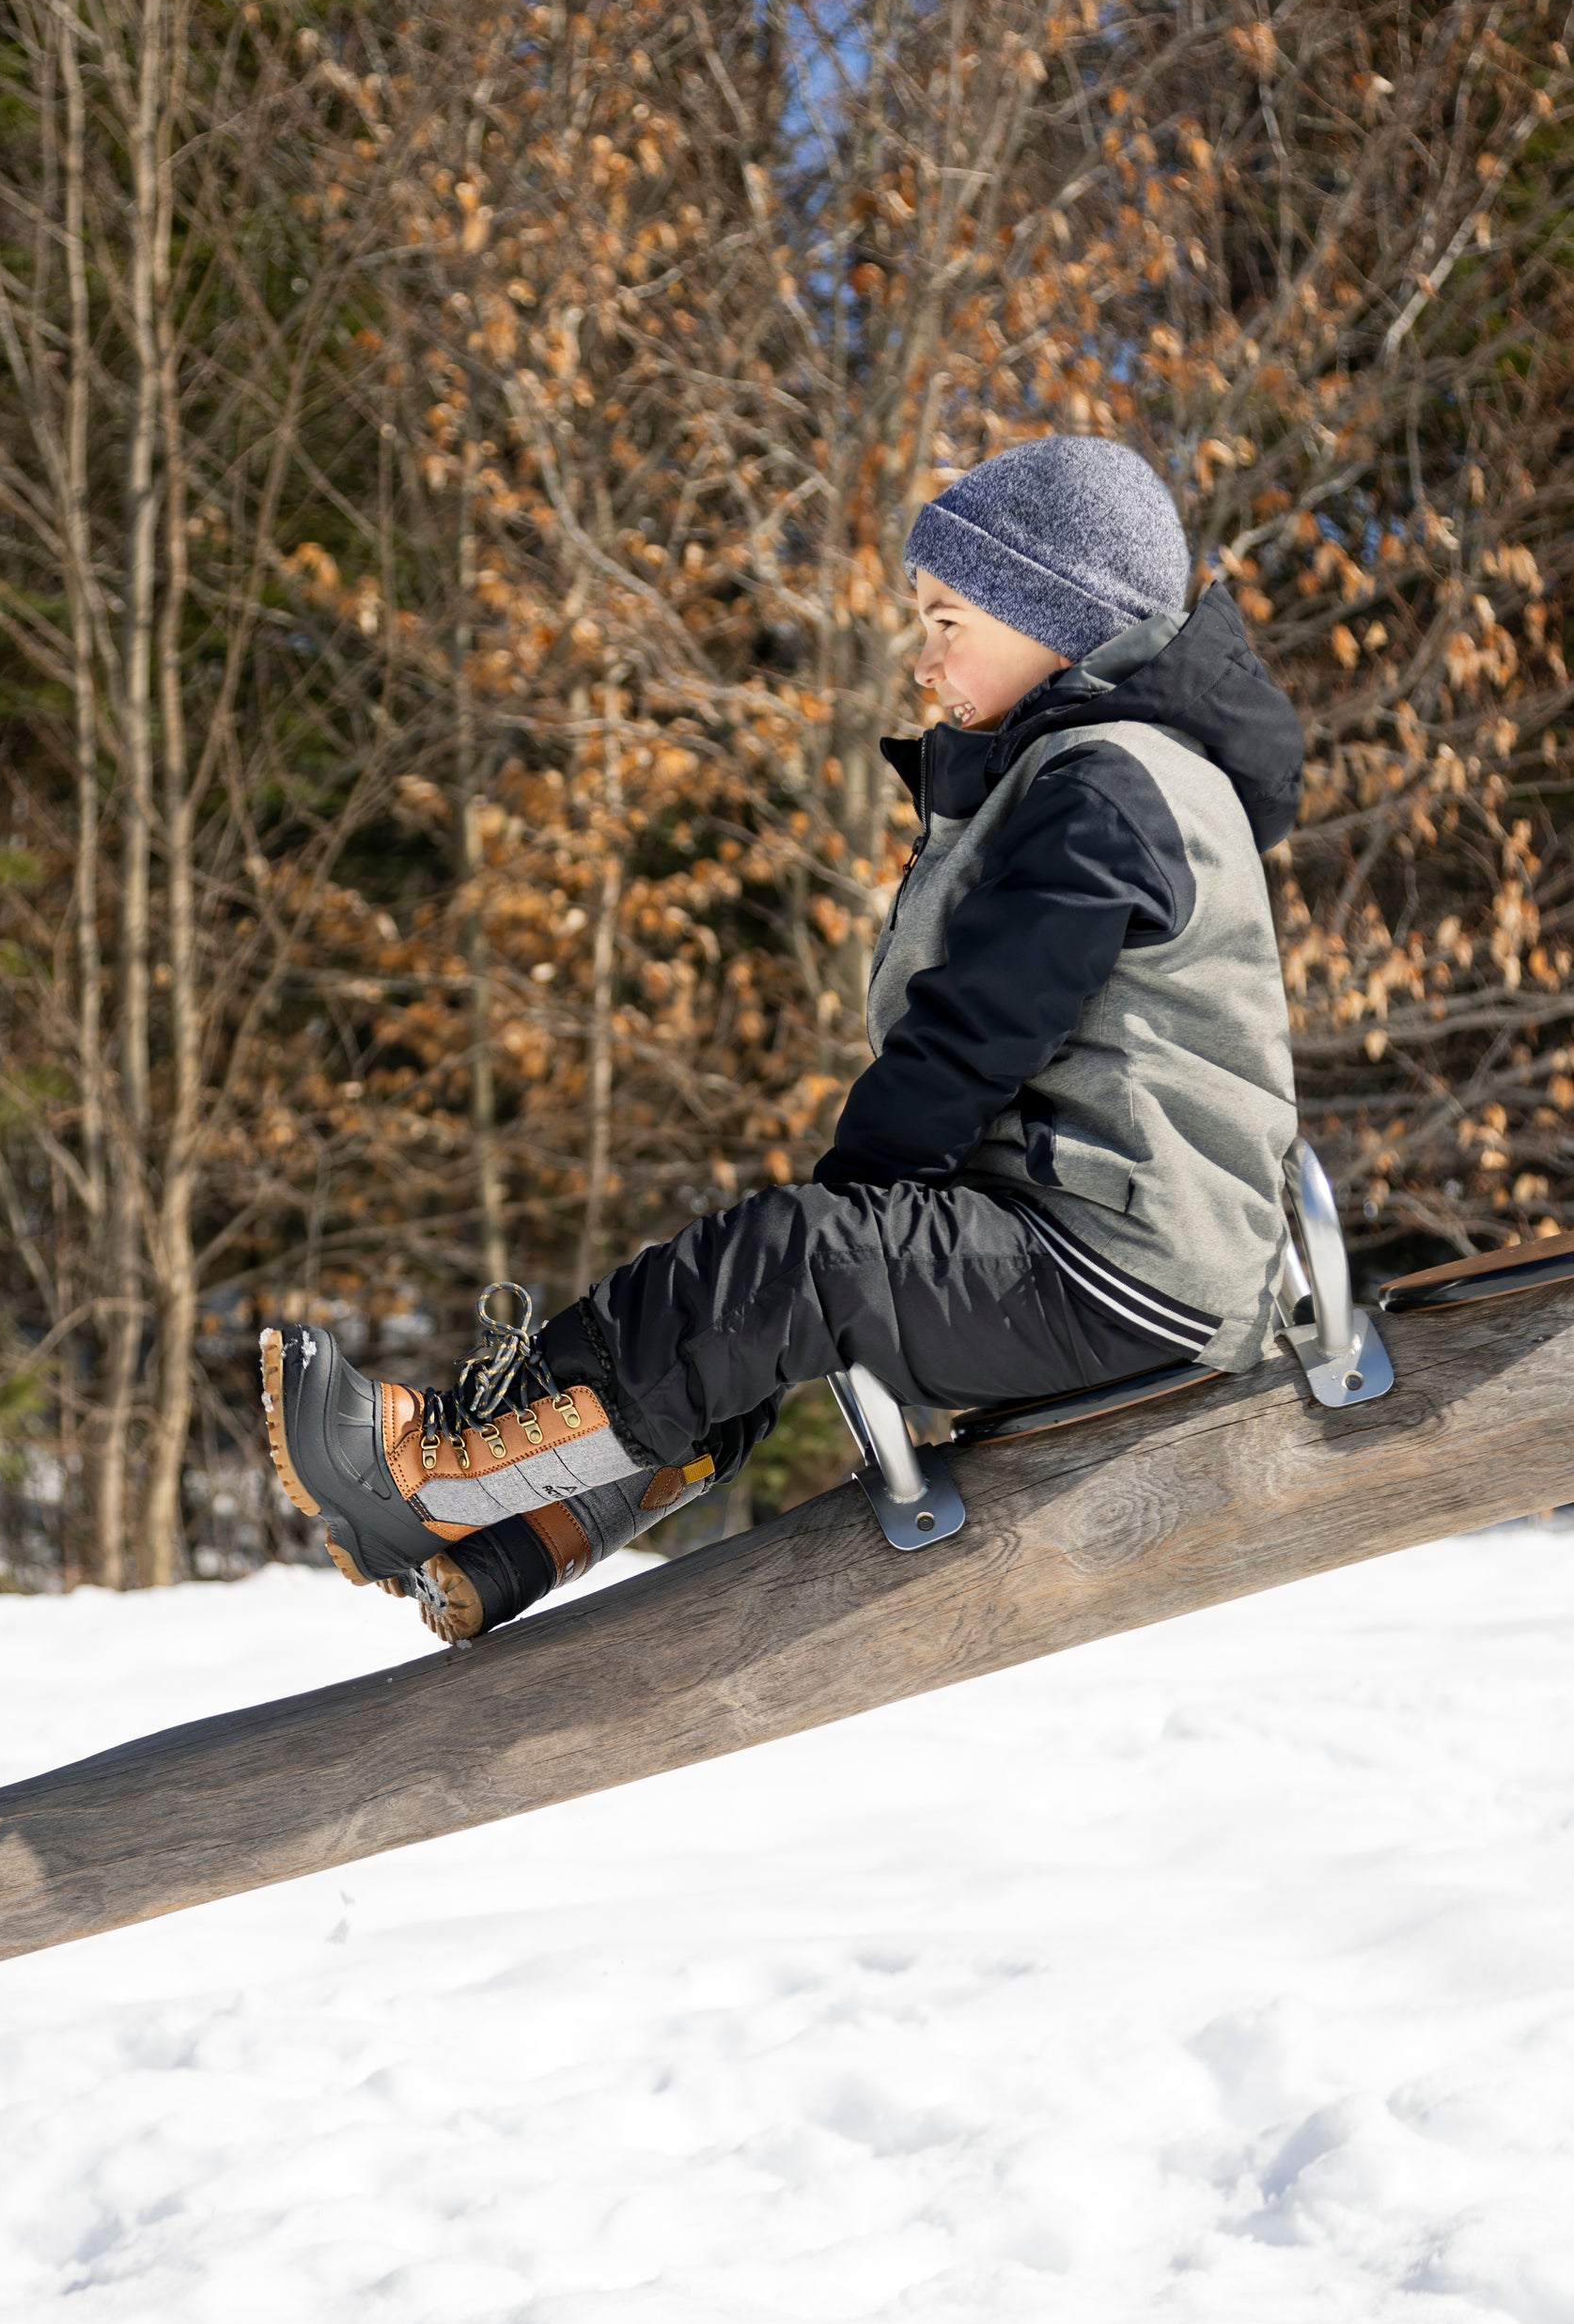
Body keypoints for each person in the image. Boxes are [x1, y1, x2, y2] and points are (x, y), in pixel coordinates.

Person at [261, 433, 1302, 1643]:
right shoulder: (1084, 774)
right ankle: (531, 1530)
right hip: (1107, 1248)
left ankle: (436, 1470)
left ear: (1054, 616)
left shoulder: (1111, 782)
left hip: (1124, 1264)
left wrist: (853, 1202)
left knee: (786, 1265)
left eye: (947, 619)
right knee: (782, 1286)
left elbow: (983, 1026)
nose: (921, 659)